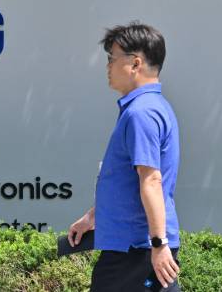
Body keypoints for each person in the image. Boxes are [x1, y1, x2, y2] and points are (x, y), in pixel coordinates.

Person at [68, 22, 181, 291]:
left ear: (135, 64)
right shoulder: (151, 108)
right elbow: (129, 182)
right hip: (135, 250)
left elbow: (151, 181)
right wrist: (95, 216)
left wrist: (158, 244)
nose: (107, 66)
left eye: (111, 58)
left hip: (136, 251)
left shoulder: (140, 113)